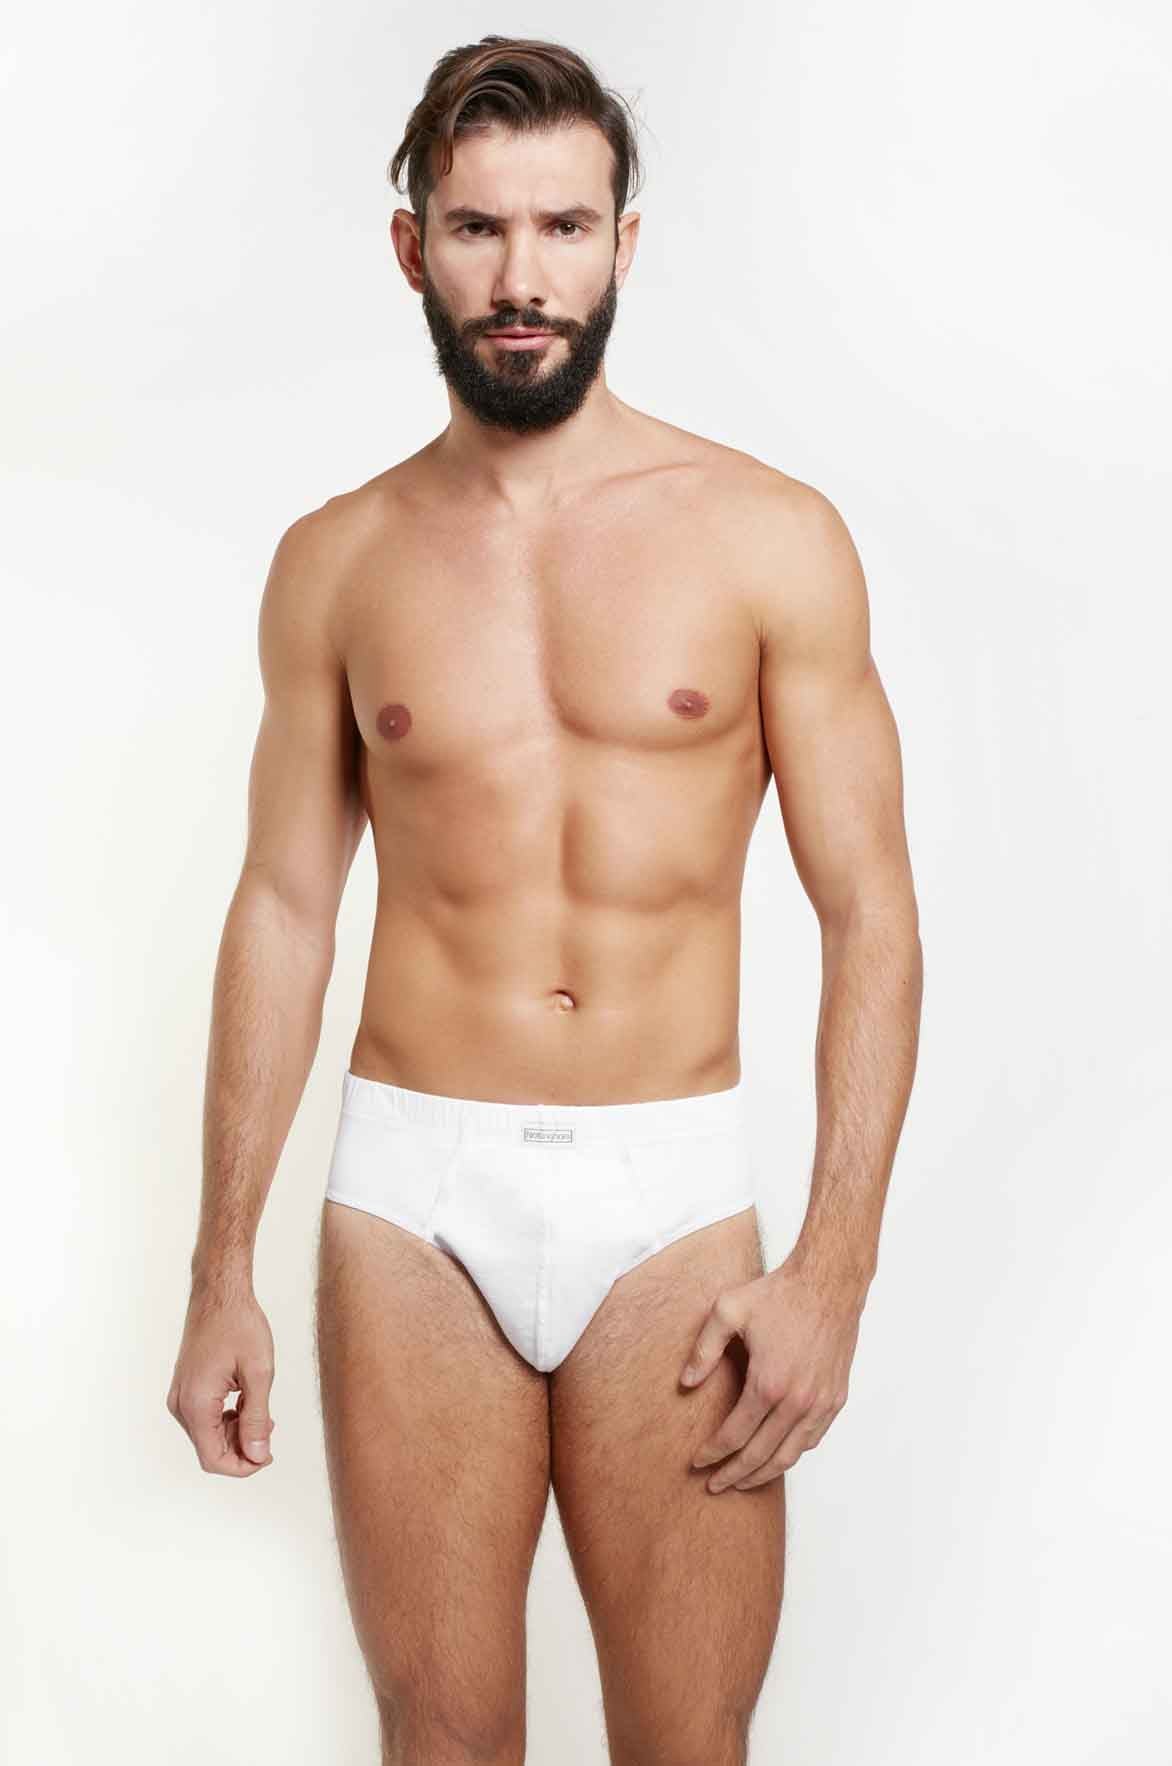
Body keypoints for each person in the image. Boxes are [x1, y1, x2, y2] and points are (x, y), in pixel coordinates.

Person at [166, 33, 923, 1766]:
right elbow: (283, 907)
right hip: (411, 1199)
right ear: (413, 248)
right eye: (481, 228)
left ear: (623, 244)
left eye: (565, 228)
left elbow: (873, 913)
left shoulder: (769, 536)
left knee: (687, 1742)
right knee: (440, 1738)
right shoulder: (337, 561)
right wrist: (220, 1270)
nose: (524, 278)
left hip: (671, 1203)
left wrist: (838, 1271)